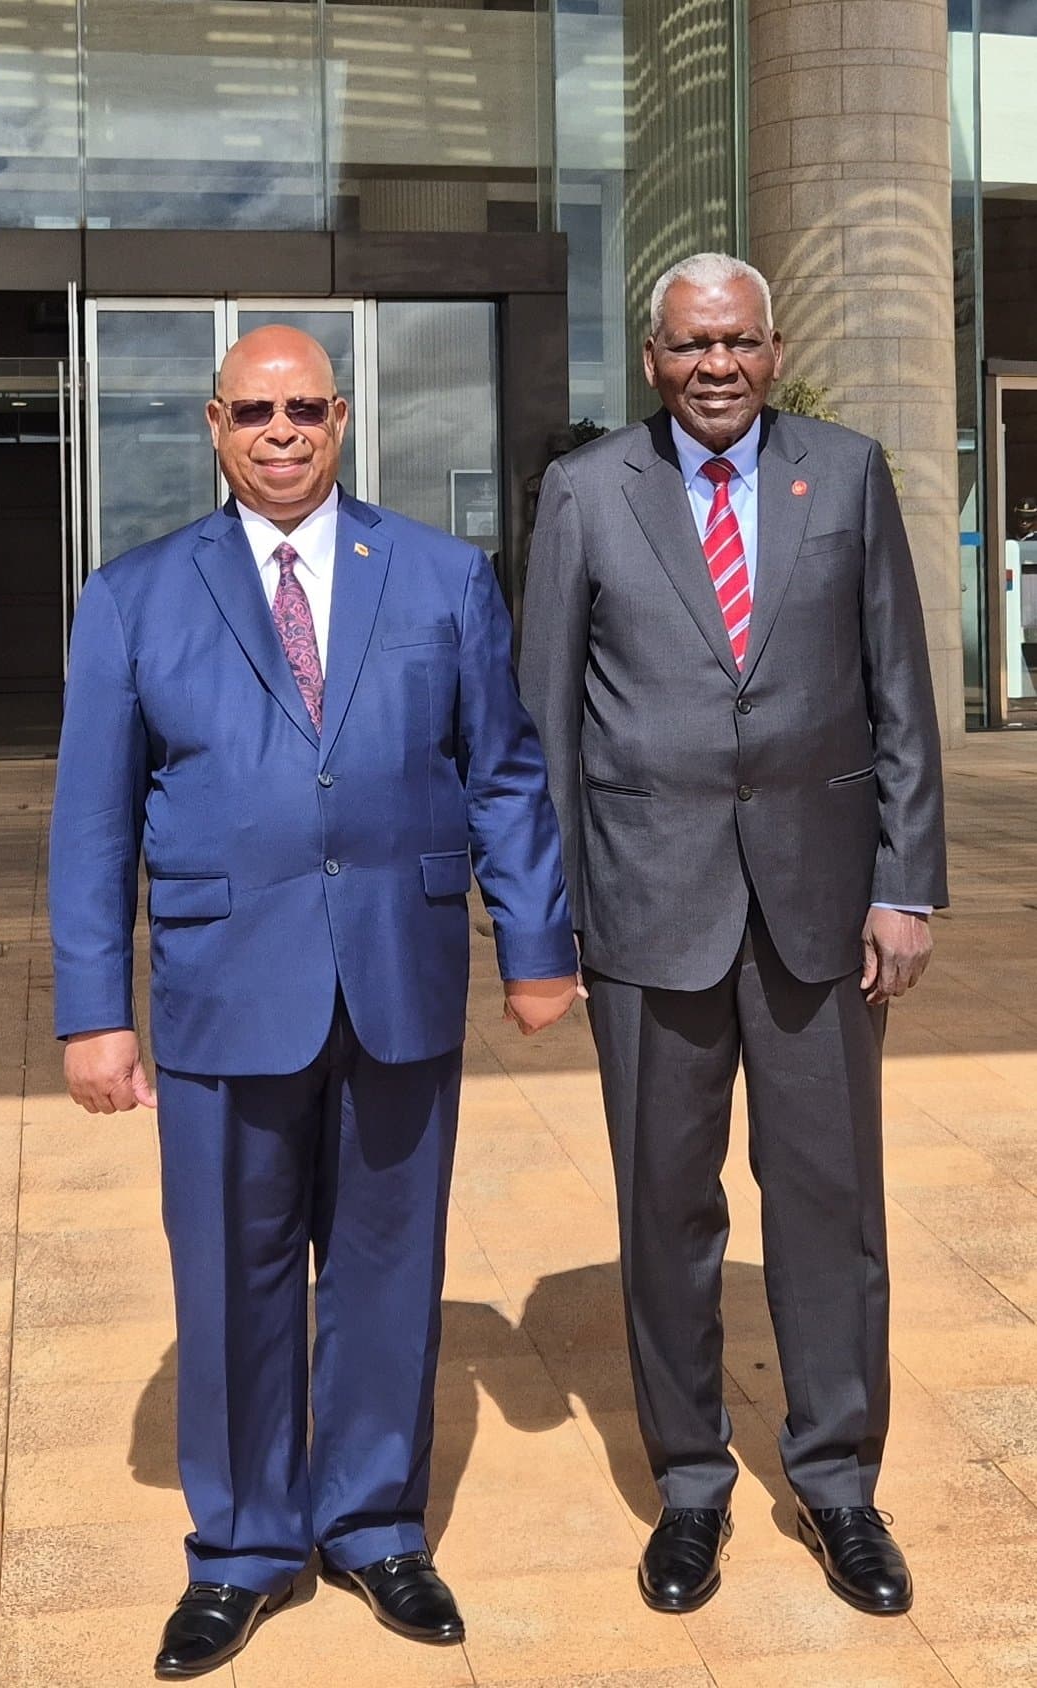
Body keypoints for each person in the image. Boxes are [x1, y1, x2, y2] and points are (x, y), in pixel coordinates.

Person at [49, 326, 579, 1679]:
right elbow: (92, 822)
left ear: (340, 419)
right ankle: (240, 1548)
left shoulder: (443, 575)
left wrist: (534, 944)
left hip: (397, 973)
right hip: (223, 989)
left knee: (390, 1265)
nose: (279, 432)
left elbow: (504, 772)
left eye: (303, 409)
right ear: (214, 424)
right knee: (231, 1273)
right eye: (253, 412)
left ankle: (375, 1522)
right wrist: (93, 1010)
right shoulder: (133, 596)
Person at [519, 253, 947, 1619]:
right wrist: (542, 924)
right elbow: (545, 721)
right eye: (692, 344)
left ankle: (838, 1482)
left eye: (741, 341)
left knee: (830, 1202)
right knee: (665, 1206)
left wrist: (905, 883)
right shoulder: (586, 490)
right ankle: (690, 1484)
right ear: (651, 357)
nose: (718, 365)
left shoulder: (847, 472)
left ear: (773, 349)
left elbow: (898, 689)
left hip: (822, 910)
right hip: (646, 911)